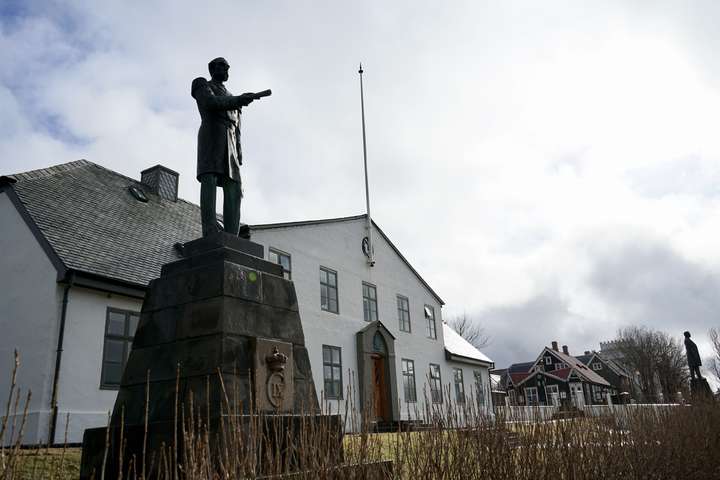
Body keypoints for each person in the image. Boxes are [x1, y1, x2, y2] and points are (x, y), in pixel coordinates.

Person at [191, 57, 257, 237]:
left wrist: (239, 151)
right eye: (220, 66)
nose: (225, 69)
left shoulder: (233, 97)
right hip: (212, 132)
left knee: (235, 186)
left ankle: (231, 235)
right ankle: (209, 228)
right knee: (209, 178)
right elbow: (210, 103)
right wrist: (239, 100)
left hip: (230, 140)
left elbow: (237, 129)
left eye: (227, 67)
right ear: (212, 68)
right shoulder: (201, 84)